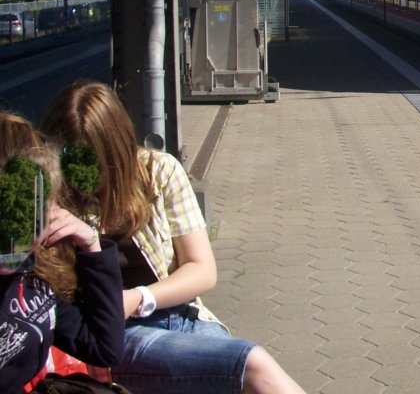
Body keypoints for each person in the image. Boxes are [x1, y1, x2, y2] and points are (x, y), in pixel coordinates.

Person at [41, 81, 308, 394]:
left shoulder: (157, 172)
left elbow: (202, 269)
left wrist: (139, 298)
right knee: (253, 366)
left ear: (119, 149)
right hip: (122, 336)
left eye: (99, 161)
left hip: (184, 318)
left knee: (244, 371)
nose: (86, 177)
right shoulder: (52, 197)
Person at [0, 114, 125, 392]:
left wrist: (91, 246)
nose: (16, 242)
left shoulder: (33, 271)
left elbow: (103, 348)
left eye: (32, 217)